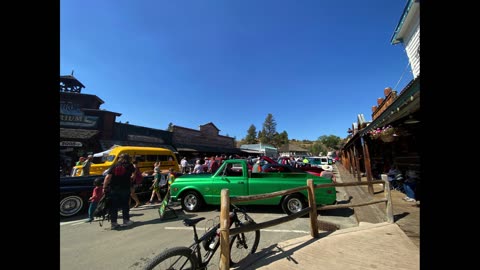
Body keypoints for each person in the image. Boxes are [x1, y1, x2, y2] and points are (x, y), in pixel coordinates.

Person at [102, 153, 136, 230]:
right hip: (125, 188)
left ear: (119, 158)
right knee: (125, 205)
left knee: (113, 206)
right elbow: (133, 176)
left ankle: (114, 223)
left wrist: (104, 187)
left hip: (113, 188)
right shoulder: (130, 166)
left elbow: (107, 177)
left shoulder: (114, 165)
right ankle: (126, 221)